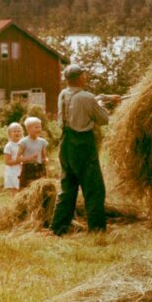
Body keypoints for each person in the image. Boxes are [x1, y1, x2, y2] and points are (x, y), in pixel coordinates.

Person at [50, 64, 120, 234]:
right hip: (82, 145)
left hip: (65, 144)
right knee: (94, 188)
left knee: (68, 188)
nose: (85, 77)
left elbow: (79, 102)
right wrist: (106, 105)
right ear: (80, 77)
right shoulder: (86, 97)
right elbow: (103, 119)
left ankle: (58, 228)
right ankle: (97, 230)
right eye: (84, 75)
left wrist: (104, 97)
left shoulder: (64, 94)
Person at [17, 117, 48, 189]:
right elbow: (18, 158)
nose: (39, 129)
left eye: (40, 127)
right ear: (28, 129)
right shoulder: (23, 142)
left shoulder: (42, 142)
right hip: (28, 168)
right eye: (36, 127)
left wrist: (45, 159)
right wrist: (29, 158)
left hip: (39, 168)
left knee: (41, 189)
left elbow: (44, 156)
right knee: (27, 189)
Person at [3, 122, 23, 194]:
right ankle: (15, 203)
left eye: (19, 131)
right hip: (13, 171)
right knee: (15, 190)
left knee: (22, 188)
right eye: (14, 131)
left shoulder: (23, 144)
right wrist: (19, 161)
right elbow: (7, 162)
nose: (17, 133)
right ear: (10, 134)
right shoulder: (9, 146)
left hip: (22, 168)